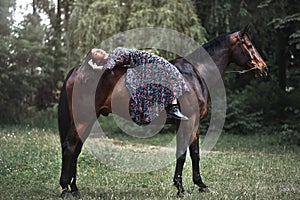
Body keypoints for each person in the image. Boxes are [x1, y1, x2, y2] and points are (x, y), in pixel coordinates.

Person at [89, 47, 189, 122]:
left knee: (170, 72)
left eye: (97, 49)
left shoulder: (113, 54)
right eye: (96, 53)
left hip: (144, 58)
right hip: (144, 61)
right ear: (97, 59)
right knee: (169, 72)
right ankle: (173, 108)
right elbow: (107, 68)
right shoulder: (112, 59)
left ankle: (173, 107)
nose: (99, 51)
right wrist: (94, 67)